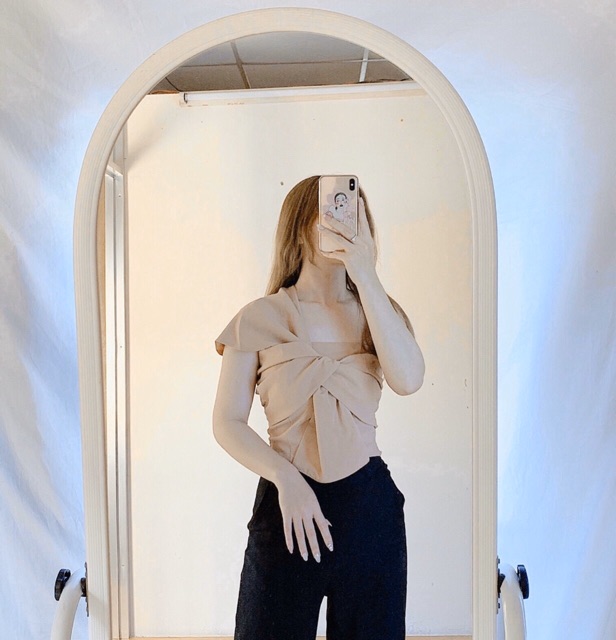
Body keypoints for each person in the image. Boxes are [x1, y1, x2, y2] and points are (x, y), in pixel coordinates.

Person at [212, 175, 425, 640]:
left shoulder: (379, 313)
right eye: (331, 210)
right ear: (300, 224)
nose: (342, 222)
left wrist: (366, 275)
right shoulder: (258, 317)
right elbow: (227, 422)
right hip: (287, 506)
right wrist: (286, 477)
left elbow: (409, 380)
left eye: (352, 212)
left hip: (370, 512)